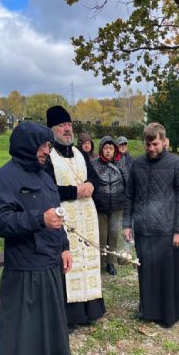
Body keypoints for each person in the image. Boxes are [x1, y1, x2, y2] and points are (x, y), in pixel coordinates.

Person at [0, 121, 74, 355]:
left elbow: (57, 214)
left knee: (49, 327)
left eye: (49, 146)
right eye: (43, 146)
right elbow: (1, 223)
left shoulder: (44, 176)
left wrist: (64, 246)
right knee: (27, 332)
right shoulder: (4, 178)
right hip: (25, 267)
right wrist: (39, 219)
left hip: (49, 262)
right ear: (27, 145)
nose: (47, 151)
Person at [123, 122, 179, 327]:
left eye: (155, 144)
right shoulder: (137, 164)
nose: (151, 148)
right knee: (146, 272)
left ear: (164, 142)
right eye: (147, 144)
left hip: (167, 230)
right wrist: (127, 224)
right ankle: (148, 310)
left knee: (167, 274)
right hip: (143, 229)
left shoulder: (177, 164)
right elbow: (129, 196)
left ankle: (169, 313)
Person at [45, 105, 105, 330]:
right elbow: (47, 188)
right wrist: (75, 191)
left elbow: (95, 178)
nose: (67, 129)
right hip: (64, 216)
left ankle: (90, 310)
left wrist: (91, 185)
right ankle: (70, 316)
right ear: (52, 129)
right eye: (62, 125)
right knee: (68, 264)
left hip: (86, 217)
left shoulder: (80, 152)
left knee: (88, 260)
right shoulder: (48, 155)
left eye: (69, 124)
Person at [92, 136, 128, 275]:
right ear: (101, 149)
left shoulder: (120, 163)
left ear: (115, 150)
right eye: (106, 148)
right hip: (100, 205)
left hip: (117, 206)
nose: (108, 151)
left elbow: (127, 181)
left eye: (111, 148)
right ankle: (100, 262)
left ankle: (111, 262)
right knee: (101, 236)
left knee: (113, 234)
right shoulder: (94, 164)